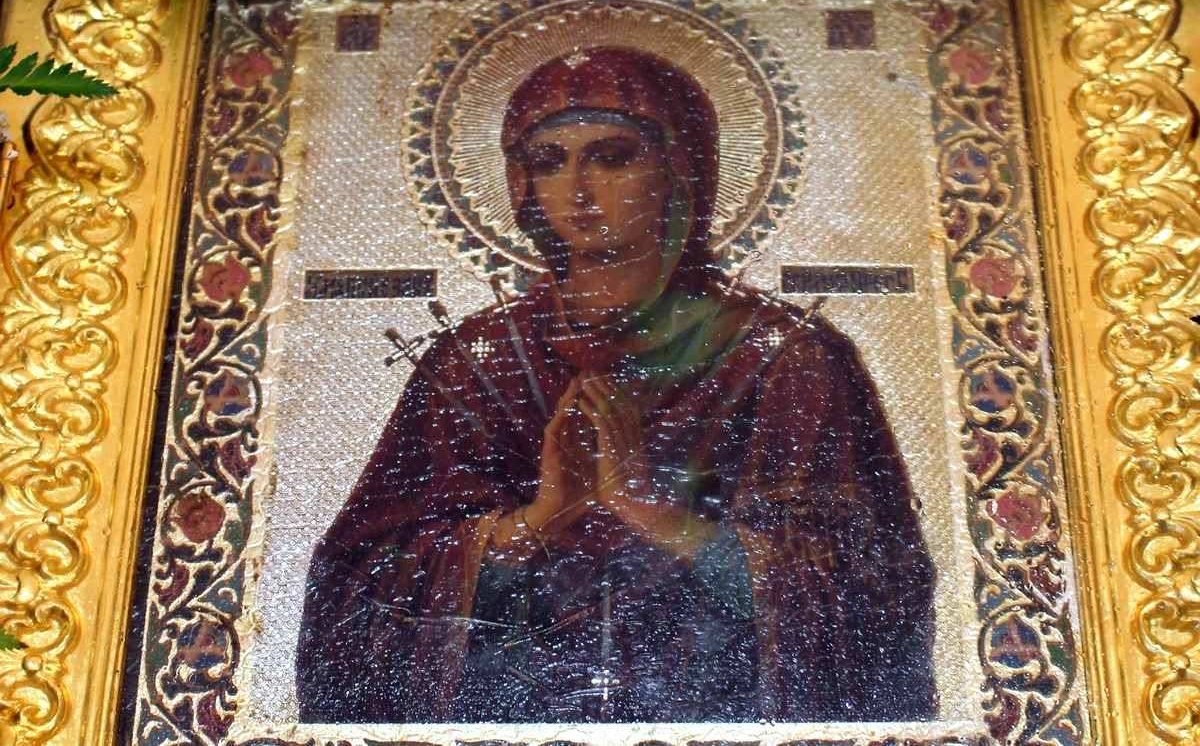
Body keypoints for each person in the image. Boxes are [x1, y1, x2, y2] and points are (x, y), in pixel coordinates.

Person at [297, 47, 936, 724]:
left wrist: (655, 513)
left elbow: (873, 592)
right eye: (550, 161)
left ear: (679, 169)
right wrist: (533, 523)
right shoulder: (474, 365)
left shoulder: (785, 361)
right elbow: (353, 593)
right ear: (521, 182)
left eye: (612, 157)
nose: (577, 189)